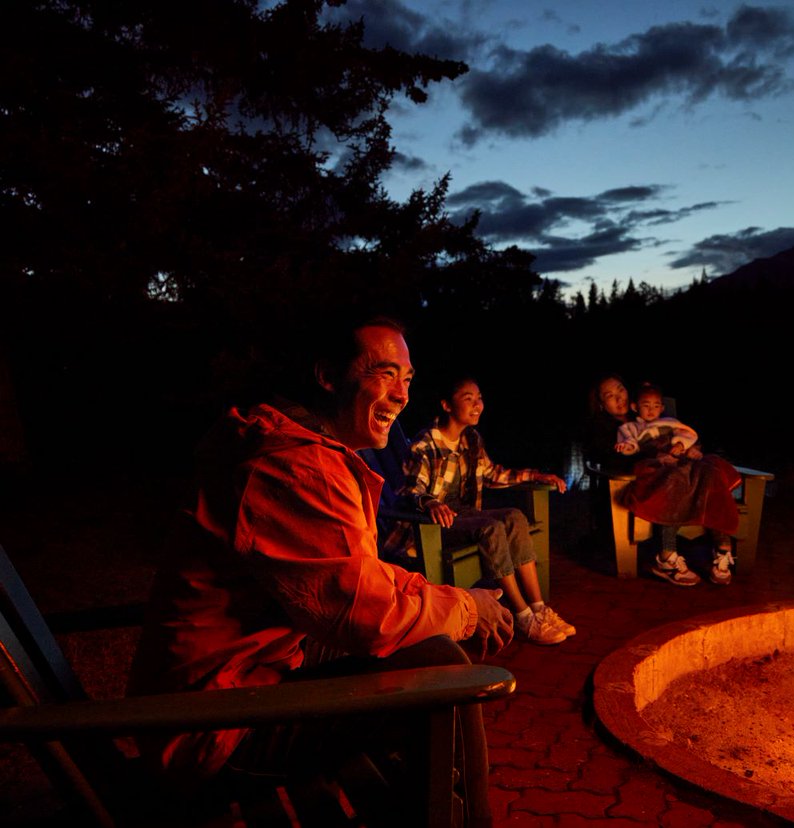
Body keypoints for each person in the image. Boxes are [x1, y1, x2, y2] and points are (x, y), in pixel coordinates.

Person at [129, 317, 511, 824]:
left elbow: (360, 577)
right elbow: (366, 616)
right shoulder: (293, 467)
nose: (401, 395)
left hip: (247, 676)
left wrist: (444, 597)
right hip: (213, 725)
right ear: (328, 376)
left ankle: (440, 810)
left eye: (408, 378)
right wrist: (466, 607)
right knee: (446, 680)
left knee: (434, 654)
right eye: (383, 373)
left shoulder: (290, 443)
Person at [401, 377, 575, 645]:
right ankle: (522, 615)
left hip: (464, 514)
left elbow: (494, 474)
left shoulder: (471, 440)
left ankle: (540, 609)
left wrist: (537, 475)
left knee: (515, 516)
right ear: (447, 405)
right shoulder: (425, 444)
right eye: (468, 398)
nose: (477, 404)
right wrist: (431, 502)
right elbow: (410, 489)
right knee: (492, 528)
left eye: (479, 397)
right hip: (433, 525)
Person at [615, 382, 742, 587]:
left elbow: (687, 434)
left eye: (656, 405)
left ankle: (723, 549)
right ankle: (667, 554)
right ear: (634, 407)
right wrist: (625, 447)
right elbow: (630, 445)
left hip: (680, 461)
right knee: (674, 482)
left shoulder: (670, 422)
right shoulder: (630, 427)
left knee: (710, 474)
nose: (651, 410)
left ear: (662, 408)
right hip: (657, 465)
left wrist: (681, 445)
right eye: (646, 405)